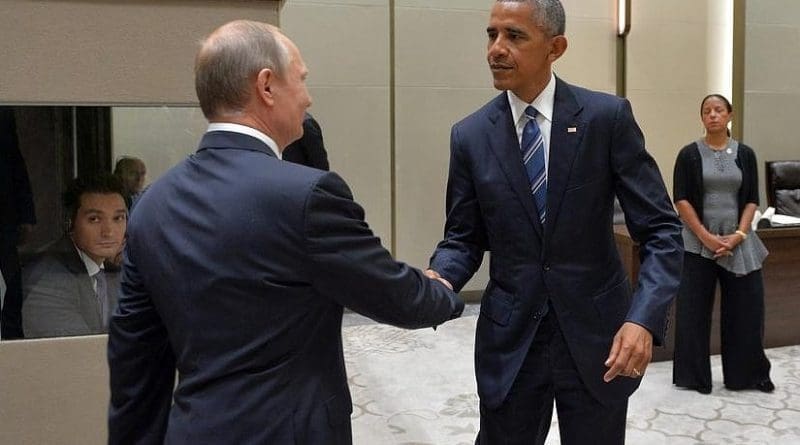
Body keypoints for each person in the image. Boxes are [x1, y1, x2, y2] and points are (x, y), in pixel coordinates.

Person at [107, 20, 463, 445]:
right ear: (267, 86)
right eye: (302, 80)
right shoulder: (307, 195)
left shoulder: (150, 205)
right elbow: (389, 292)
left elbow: (135, 361)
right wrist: (442, 292)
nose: (308, 97)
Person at [425, 1, 683, 443]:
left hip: (599, 338)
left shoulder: (606, 119)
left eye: (515, 36)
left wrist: (642, 318)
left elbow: (661, 232)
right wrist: (440, 277)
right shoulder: (469, 136)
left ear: (555, 47)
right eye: (492, 35)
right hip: (512, 340)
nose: (496, 49)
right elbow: (463, 238)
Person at [672, 94, 774, 394]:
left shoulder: (745, 154)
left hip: (739, 242)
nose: (713, 115)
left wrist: (740, 234)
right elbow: (681, 199)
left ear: (729, 115)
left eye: (718, 110)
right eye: (707, 111)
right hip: (697, 243)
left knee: (747, 311)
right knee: (693, 312)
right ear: (701, 118)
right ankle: (693, 377)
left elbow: (752, 198)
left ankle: (748, 376)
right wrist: (705, 236)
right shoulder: (689, 154)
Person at [21, 175, 127, 338]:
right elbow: (76, 353)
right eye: (95, 219)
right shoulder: (49, 278)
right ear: (70, 223)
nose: (109, 232)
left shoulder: (115, 271)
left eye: (118, 218)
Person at [0, 106, 37, 339]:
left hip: (4, 219)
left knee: (12, 288)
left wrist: (25, 215)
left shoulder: (3, 113)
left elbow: (14, 160)